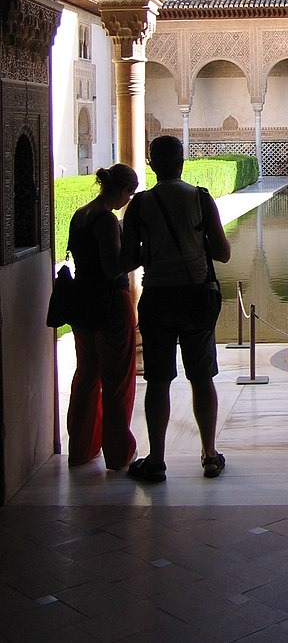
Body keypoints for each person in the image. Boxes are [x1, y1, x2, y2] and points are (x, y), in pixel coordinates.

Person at [121, 136, 231, 482]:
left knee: (158, 380)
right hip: (195, 297)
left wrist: (155, 251)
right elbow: (224, 252)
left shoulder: (140, 205)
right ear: (183, 161)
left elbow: (127, 258)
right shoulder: (200, 197)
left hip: (158, 297)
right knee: (202, 378)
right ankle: (210, 455)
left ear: (152, 164)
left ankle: (156, 459)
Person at [66, 163, 139, 471]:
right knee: (116, 379)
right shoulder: (106, 221)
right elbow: (113, 268)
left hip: (82, 301)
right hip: (109, 302)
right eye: (130, 193)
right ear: (122, 191)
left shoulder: (80, 215)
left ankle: (81, 448)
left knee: (86, 375)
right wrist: (139, 253)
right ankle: (117, 452)